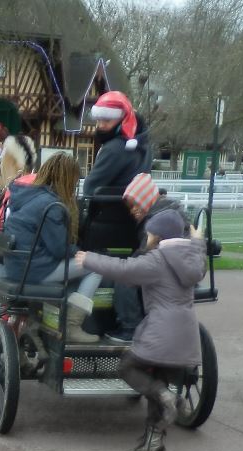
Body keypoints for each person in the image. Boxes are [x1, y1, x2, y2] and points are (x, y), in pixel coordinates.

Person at [76, 208, 207, 451]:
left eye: (150, 234)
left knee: (127, 368)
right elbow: (198, 261)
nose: (146, 238)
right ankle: (153, 441)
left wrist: (89, 258)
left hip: (161, 331)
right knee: (157, 378)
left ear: (159, 236)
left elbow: (124, 269)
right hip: (185, 334)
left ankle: (167, 397)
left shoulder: (157, 260)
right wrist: (198, 241)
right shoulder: (190, 257)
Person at [0, 153, 102, 343]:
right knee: (97, 265)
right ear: (67, 179)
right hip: (34, 271)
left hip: (15, 267)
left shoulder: (27, 197)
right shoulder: (51, 205)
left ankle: (39, 325)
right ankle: (71, 325)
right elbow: (59, 250)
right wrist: (81, 252)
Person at [82, 90, 152, 343]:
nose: (100, 125)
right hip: (132, 225)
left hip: (105, 225)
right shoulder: (144, 148)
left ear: (122, 120)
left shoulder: (114, 149)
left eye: (106, 120)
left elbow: (90, 188)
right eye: (99, 120)